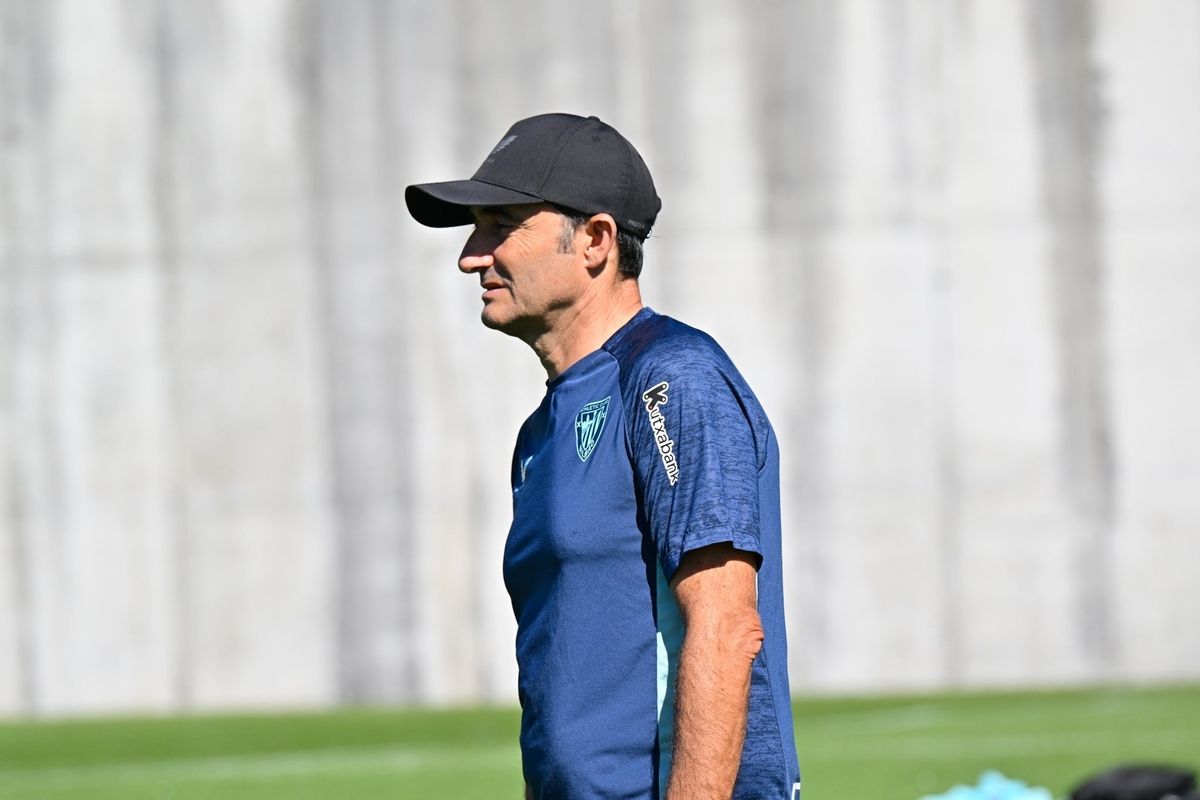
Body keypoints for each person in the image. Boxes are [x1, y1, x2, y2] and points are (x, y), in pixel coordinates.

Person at [405, 113, 801, 800]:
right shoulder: (540, 433)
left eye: (501, 225)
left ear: (595, 240)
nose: (471, 255)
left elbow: (727, 625)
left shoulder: (672, 381)